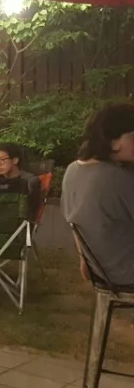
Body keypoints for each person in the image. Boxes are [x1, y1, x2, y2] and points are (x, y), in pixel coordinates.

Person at [62, 103, 134, 287]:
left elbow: (74, 222)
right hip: (127, 275)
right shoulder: (120, 179)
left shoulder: (72, 171)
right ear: (112, 141)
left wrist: (84, 259)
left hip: (101, 274)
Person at [0, 143, 44, 221]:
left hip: (17, 222)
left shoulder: (29, 181)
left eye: (2, 160)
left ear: (15, 160)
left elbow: (30, 211)